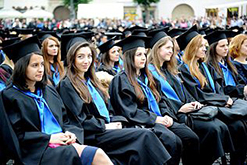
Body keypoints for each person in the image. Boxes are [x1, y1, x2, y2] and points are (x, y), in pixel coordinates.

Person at [1, 36, 113, 165]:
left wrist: (70, 132)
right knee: (96, 155)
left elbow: (65, 119)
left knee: (97, 154)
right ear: (21, 67)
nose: (40, 69)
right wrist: (49, 138)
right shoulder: (10, 96)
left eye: (42, 64)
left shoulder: (48, 90)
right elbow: (16, 135)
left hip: (61, 142)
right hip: (36, 150)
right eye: (34, 65)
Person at [57, 40, 171, 165]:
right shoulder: (67, 85)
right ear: (72, 59)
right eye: (80, 57)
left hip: (107, 128)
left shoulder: (91, 81)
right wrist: (105, 126)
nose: (86, 61)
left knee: (142, 144)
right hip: (93, 134)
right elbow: (80, 119)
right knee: (145, 136)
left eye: (89, 56)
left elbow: (108, 109)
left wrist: (116, 121)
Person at [109, 32, 200, 165]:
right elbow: (129, 111)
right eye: (138, 55)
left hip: (160, 118)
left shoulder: (148, 76)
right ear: (129, 57)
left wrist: (167, 115)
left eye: (144, 54)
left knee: (191, 138)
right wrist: (156, 119)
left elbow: (161, 100)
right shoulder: (121, 80)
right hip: (143, 122)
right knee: (174, 142)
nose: (143, 58)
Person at [147, 27, 234, 165]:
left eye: (172, 48)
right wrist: (180, 109)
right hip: (175, 114)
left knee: (219, 126)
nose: (172, 52)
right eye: (168, 48)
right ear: (157, 49)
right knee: (211, 129)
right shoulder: (151, 72)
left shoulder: (169, 70)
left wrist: (193, 103)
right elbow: (159, 99)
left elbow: (184, 93)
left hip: (186, 111)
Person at [177, 25, 247, 165]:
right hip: (207, 107)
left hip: (218, 104)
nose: (205, 49)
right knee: (234, 127)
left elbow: (217, 87)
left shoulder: (205, 66)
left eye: (205, 46)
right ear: (192, 48)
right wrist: (223, 99)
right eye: (201, 46)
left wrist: (224, 98)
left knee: (243, 123)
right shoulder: (184, 69)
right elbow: (197, 94)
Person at [205, 30, 247, 99]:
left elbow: (240, 81)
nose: (226, 48)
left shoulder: (230, 64)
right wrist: (242, 89)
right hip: (227, 99)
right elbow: (220, 90)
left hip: (239, 97)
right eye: (222, 46)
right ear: (213, 48)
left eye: (227, 45)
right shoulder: (209, 67)